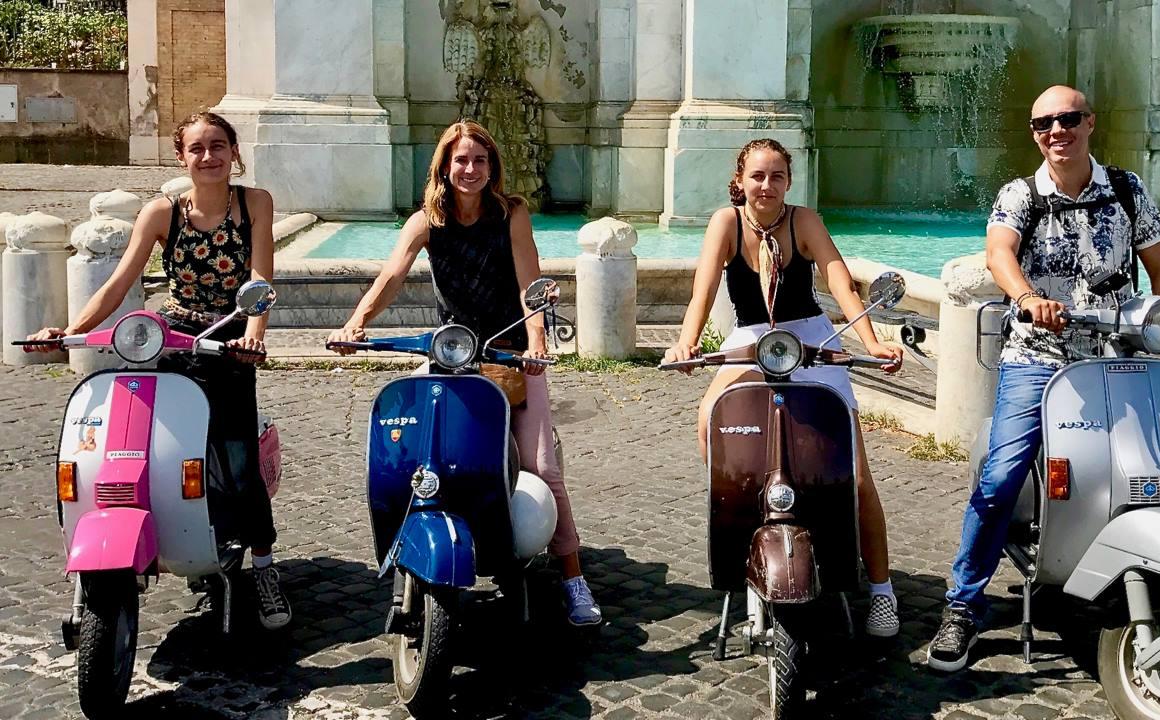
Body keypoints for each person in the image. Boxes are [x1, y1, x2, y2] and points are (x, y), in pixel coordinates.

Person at [927, 85, 1160, 671]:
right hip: (1038, 355)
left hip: (1119, 354)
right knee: (1000, 476)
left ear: (1089, 122)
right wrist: (1025, 296)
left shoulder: (1125, 189)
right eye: (1043, 123)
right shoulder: (1020, 194)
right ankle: (962, 606)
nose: (1056, 131)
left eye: (1067, 119)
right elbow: (1000, 252)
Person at [327, 120, 602, 627]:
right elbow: (392, 276)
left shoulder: (510, 214)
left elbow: (530, 280)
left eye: (480, 160)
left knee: (543, 467)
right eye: (461, 160)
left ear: (492, 167)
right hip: (452, 355)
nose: (470, 169)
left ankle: (572, 576)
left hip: (512, 354)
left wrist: (536, 343)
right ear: (444, 166)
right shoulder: (427, 220)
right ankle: (411, 554)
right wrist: (357, 322)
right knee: (416, 452)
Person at [27, 111, 291, 630]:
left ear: (234, 152)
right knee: (137, 441)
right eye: (198, 148)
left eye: (218, 146)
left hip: (229, 339)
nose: (209, 156)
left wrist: (253, 335)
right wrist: (66, 329)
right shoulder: (161, 213)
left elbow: (261, 276)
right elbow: (118, 282)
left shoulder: (254, 204)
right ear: (182, 157)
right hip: (168, 337)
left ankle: (263, 568)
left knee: (237, 457)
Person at [662, 138, 906, 637]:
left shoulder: (805, 221)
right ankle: (748, 528)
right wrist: (685, 345)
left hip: (811, 335)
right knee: (711, 421)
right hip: (753, 338)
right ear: (740, 180)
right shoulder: (726, 223)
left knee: (854, 468)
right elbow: (703, 290)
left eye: (776, 176)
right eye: (757, 176)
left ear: (789, 181)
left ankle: (881, 589)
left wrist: (872, 340)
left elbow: (839, 281)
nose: (766, 186)